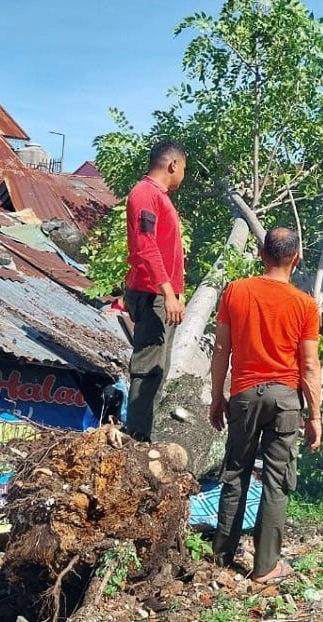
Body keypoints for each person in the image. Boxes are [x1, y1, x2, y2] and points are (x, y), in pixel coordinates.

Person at [209, 227, 322, 583]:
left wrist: (217, 396)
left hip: (244, 394)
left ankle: (221, 558)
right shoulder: (305, 305)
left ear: (261, 254)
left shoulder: (236, 291)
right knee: (277, 481)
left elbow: (221, 349)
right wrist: (315, 416)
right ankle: (265, 566)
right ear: (296, 259)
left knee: (235, 473)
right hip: (285, 399)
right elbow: (309, 365)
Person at [123, 141, 187, 442]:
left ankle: (144, 434)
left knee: (159, 368)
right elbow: (145, 247)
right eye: (183, 168)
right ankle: (136, 438)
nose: (183, 175)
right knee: (147, 368)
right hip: (152, 295)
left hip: (163, 295)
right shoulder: (145, 194)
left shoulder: (160, 197)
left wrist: (177, 293)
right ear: (173, 165)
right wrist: (168, 293)